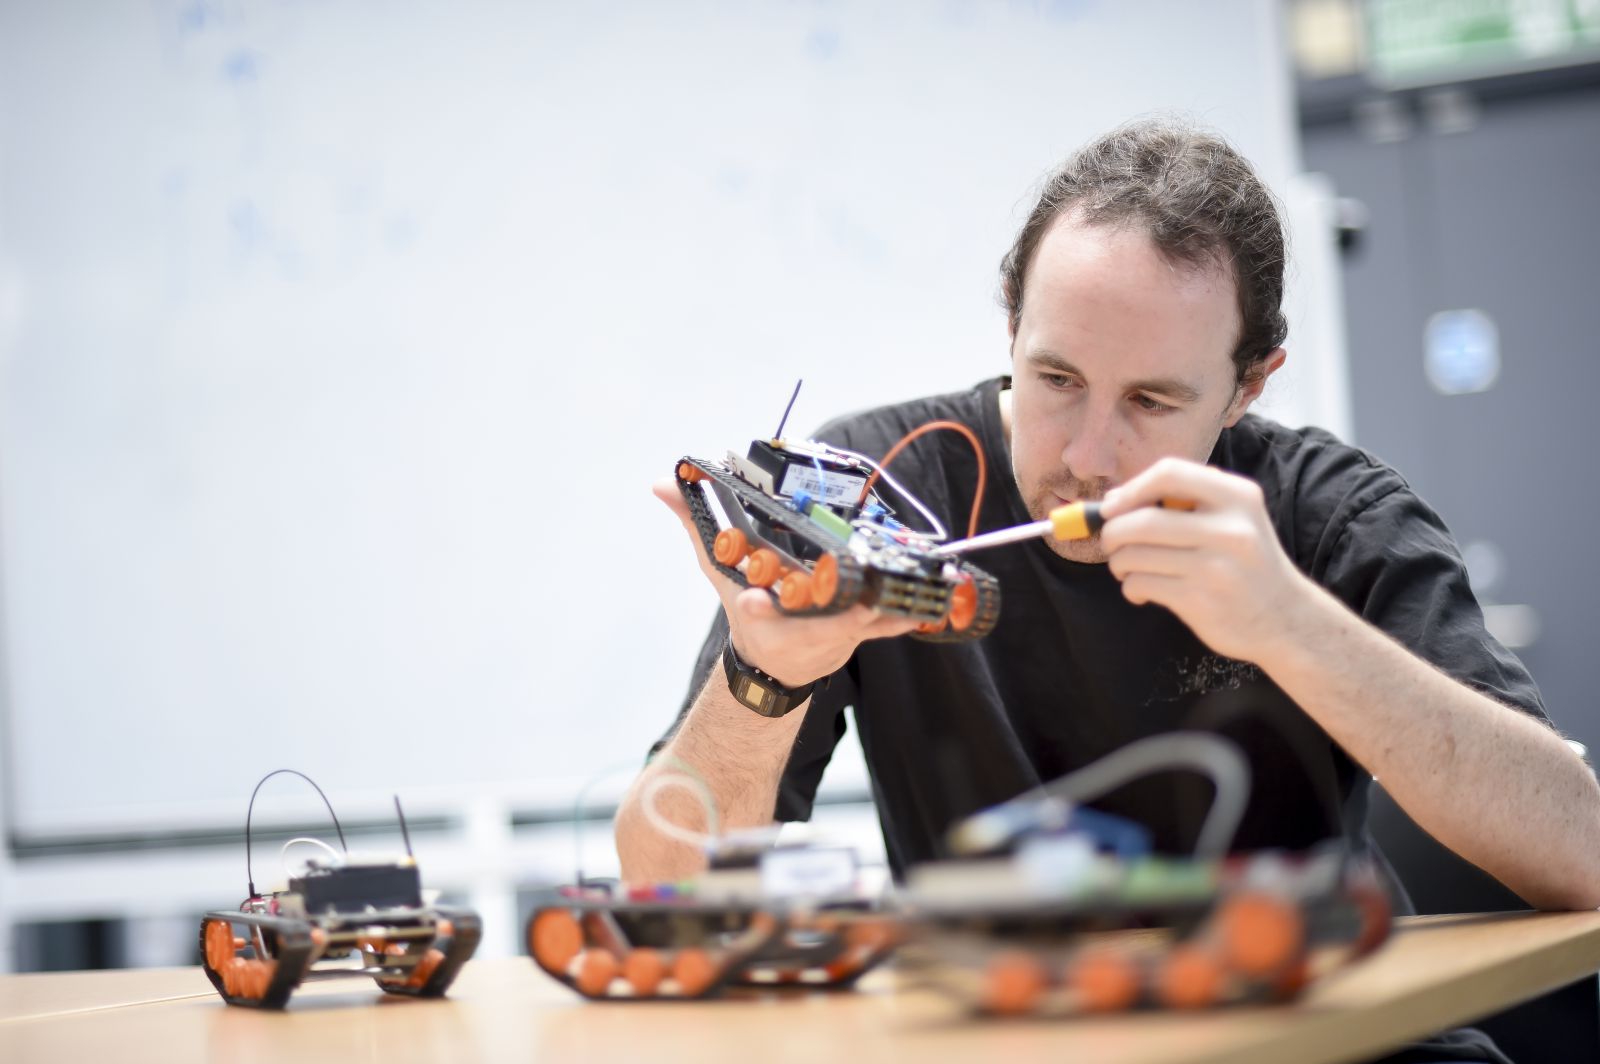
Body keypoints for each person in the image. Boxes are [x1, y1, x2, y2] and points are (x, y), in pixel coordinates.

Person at [615, 119, 1600, 1062]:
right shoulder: (882, 492)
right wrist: (765, 672)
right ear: (1010, 324)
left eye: (1151, 400)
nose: (1089, 456)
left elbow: (1579, 851)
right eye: (1055, 378)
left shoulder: (1328, 514)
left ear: (1249, 385)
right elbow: (664, 881)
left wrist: (1293, 626)